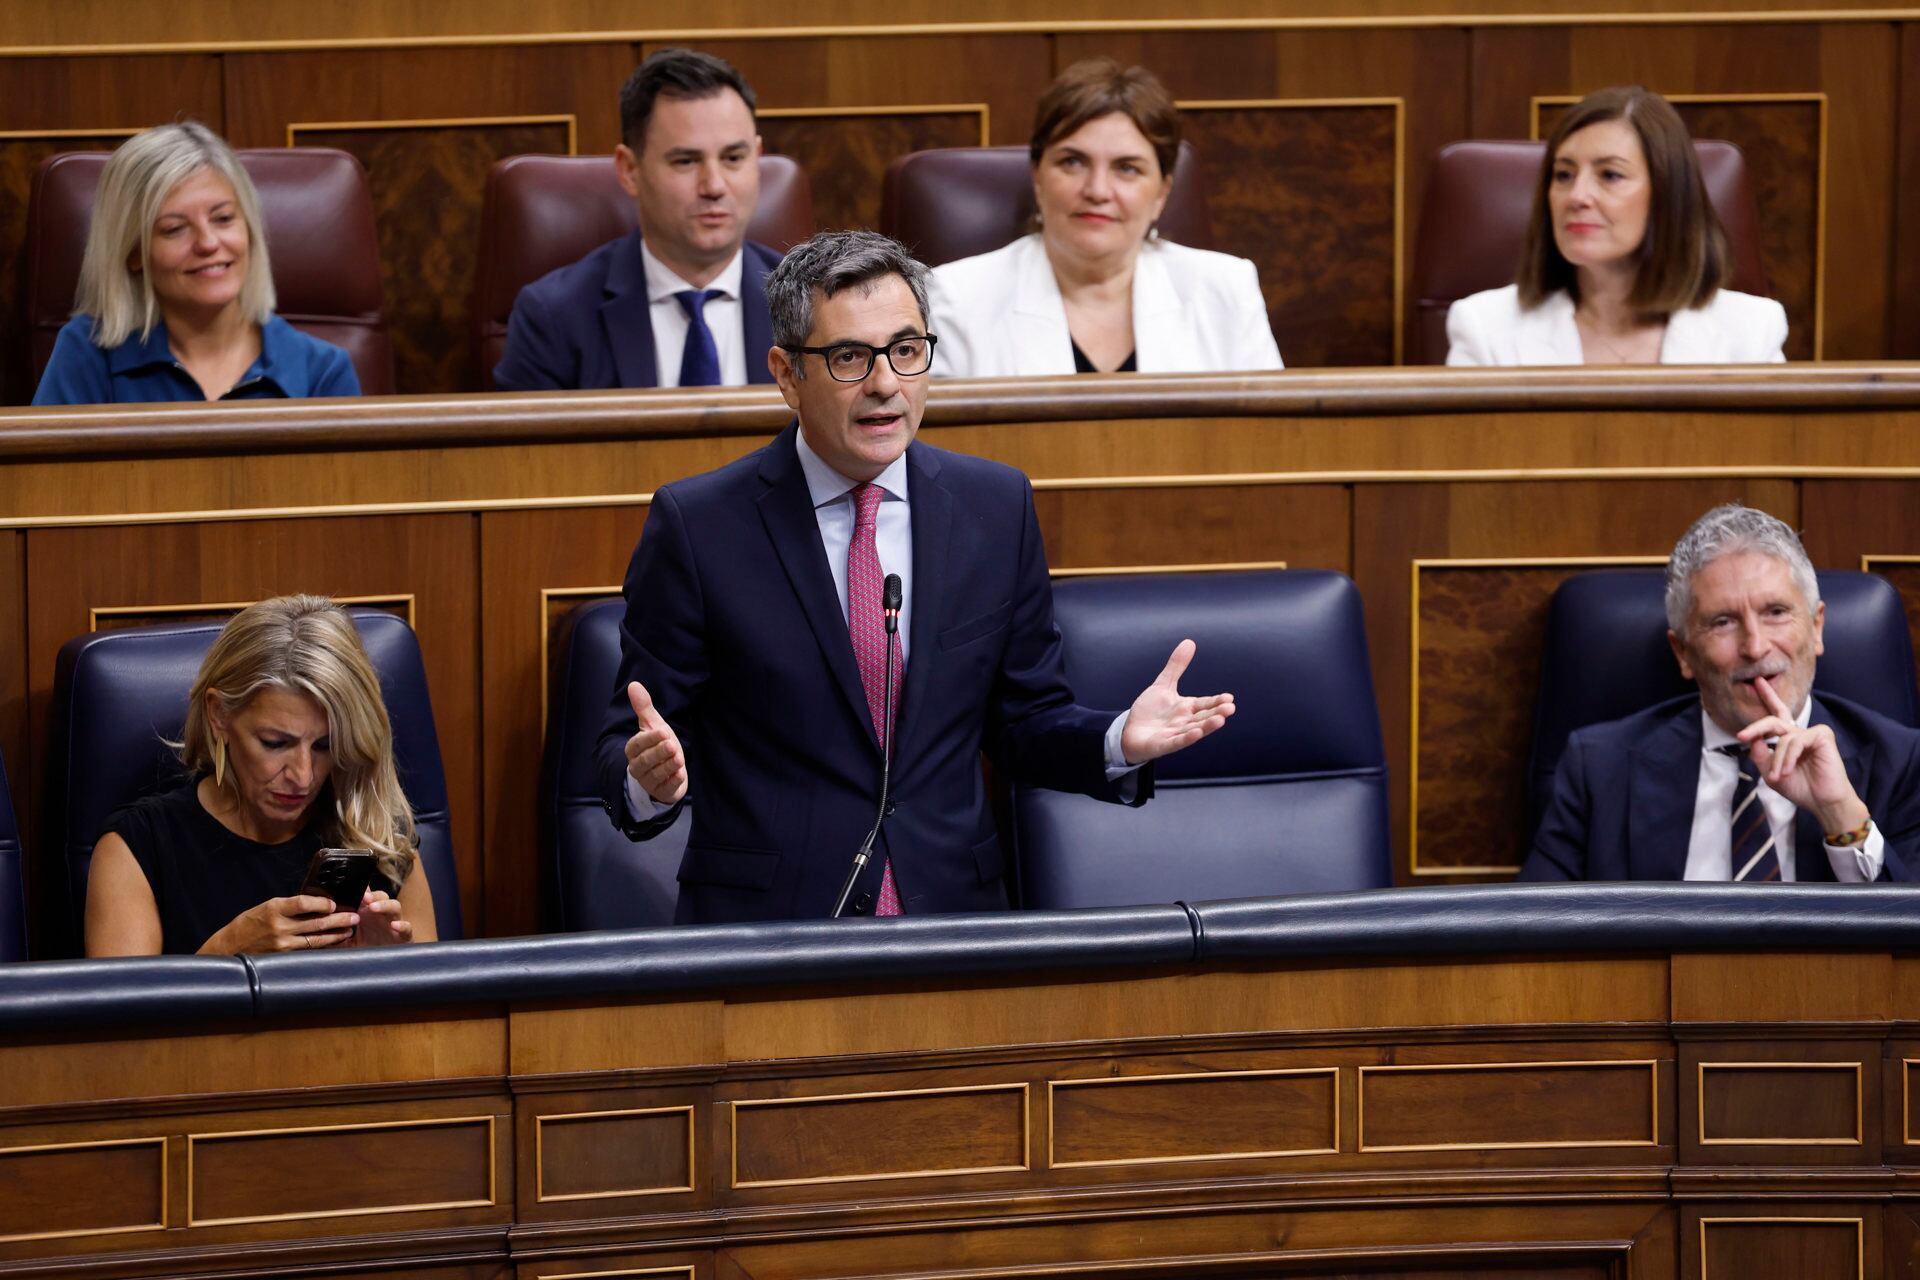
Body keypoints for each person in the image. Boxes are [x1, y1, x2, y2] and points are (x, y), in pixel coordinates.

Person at [596, 230, 1235, 922]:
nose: (885, 385)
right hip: (769, 936)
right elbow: (623, 740)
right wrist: (647, 781)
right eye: (849, 357)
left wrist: (1116, 742)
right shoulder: (699, 526)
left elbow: (1026, 721)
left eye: (906, 350)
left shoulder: (995, 507)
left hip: (954, 924)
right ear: (786, 374)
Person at [1521, 504, 1920, 882]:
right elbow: (1536, 934)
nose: (1756, 646)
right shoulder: (1598, 769)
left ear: (1816, 628)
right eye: (1723, 622)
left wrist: (1841, 816)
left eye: (1776, 612)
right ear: (1683, 653)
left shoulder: (1901, 764)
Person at [86, 596, 438, 956]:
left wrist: (383, 971)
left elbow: (442, 1010)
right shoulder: (138, 847)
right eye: (275, 743)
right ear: (219, 714)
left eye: (324, 746)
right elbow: (125, 1012)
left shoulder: (378, 837)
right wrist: (225, 956)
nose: (302, 776)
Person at [926, 59, 1281, 377]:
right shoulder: (958, 299)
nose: (1097, 190)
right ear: (1037, 177)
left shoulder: (1226, 290)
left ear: (1161, 193)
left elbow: (1266, 439)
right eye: (1073, 162)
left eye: (1127, 168)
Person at [493, 48, 781, 391]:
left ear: (757, 159)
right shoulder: (554, 317)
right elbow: (527, 448)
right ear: (630, 170)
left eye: (733, 157)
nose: (714, 186)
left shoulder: (815, 309)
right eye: (685, 161)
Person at [1446, 86, 1786, 367]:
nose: (1577, 196)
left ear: (1667, 195)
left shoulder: (1751, 331)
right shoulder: (1484, 328)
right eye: (1564, 175)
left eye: (1610, 175)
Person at [33, 122, 359, 406]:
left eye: (223, 218)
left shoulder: (323, 372)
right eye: (174, 229)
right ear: (132, 253)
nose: (208, 243)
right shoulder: (89, 354)